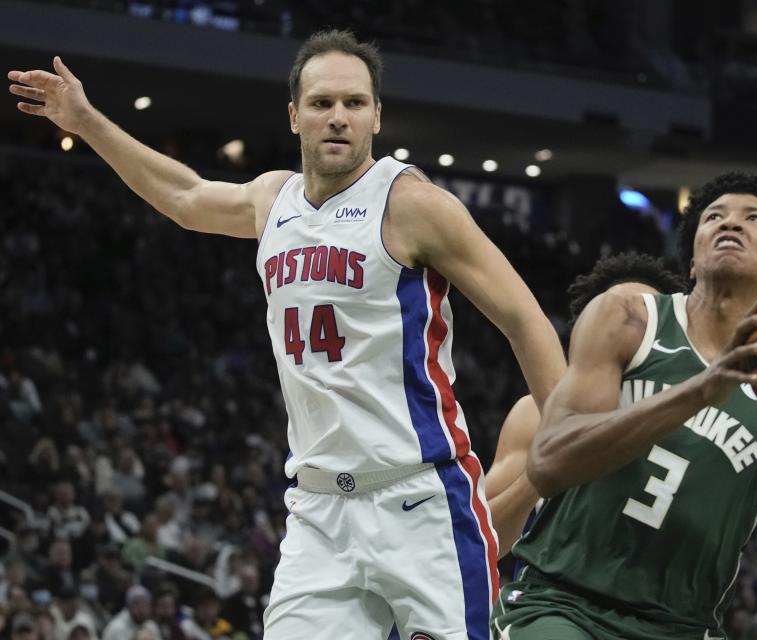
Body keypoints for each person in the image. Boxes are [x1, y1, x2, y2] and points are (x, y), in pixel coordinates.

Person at [9, 28, 565, 640]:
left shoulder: (411, 204)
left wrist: (572, 438)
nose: (338, 118)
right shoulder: (273, 199)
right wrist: (86, 122)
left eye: (355, 104)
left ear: (377, 116)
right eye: (323, 103)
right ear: (295, 115)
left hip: (422, 501)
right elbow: (185, 194)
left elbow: (524, 319)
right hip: (320, 510)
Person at [491, 172, 757, 639]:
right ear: (691, 259)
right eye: (714, 217)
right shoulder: (631, 316)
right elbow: (549, 463)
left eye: (753, 219)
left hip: (684, 627)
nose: (731, 224)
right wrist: (702, 389)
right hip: (563, 605)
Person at [485, 252, 688, 557]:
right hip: (541, 599)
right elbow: (480, 543)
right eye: (616, 317)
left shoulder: (697, 426)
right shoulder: (536, 415)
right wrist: (550, 466)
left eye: (648, 320)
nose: (630, 329)